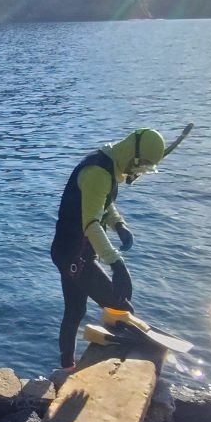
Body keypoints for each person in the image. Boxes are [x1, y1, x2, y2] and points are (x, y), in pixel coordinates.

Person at [50, 127, 181, 372]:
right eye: (140, 167)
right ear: (133, 156)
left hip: (68, 251)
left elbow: (102, 204)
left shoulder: (106, 164)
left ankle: (67, 368)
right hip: (74, 256)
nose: (137, 174)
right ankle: (113, 368)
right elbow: (91, 223)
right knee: (121, 309)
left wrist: (118, 225)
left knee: (75, 309)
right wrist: (117, 264)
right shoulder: (98, 172)